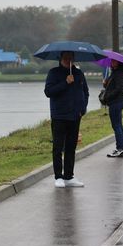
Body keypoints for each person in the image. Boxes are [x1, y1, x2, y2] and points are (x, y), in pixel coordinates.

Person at [44, 51, 89, 188]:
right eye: (65, 58)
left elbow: (85, 92)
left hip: (75, 115)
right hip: (59, 115)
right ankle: (58, 177)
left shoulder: (79, 74)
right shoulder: (54, 73)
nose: (68, 60)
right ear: (60, 58)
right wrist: (65, 82)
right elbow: (48, 92)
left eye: (70, 58)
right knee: (58, 147)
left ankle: (69, 176)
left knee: (71, 147)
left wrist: (83, 109)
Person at [102, 59, 123, 158]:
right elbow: (112, 86)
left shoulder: (119, 74)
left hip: (116, 102)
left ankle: (120, 149)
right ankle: (120, 149)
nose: (112, 62)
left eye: (114, 61)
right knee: (118, 125)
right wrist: (105, 84)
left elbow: (119, 88)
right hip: (115, 102)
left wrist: (108, 97)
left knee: (117, 126)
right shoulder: (115, 73)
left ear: (119, 62)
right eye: (111, 61)